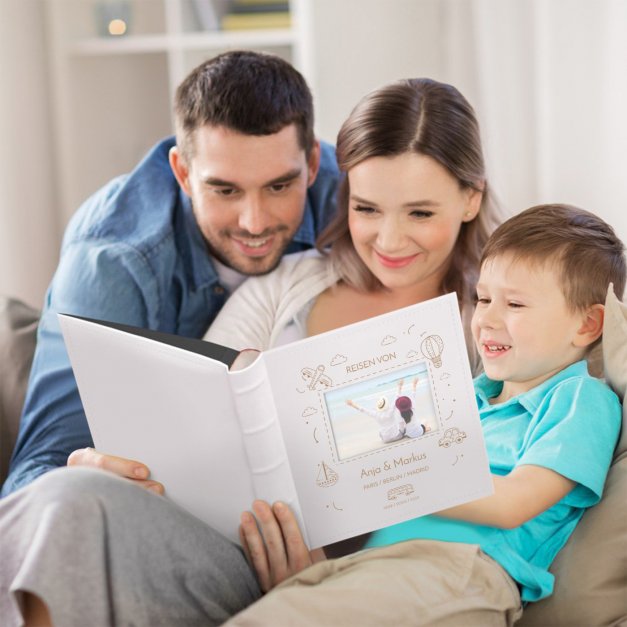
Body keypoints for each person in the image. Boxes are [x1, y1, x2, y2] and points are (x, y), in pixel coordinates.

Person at [0, 77, 501, 626]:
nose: (388, 239)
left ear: (470, 198)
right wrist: (108, 464)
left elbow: (478, 495)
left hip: (357, 580)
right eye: (367, 209)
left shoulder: (490, 325)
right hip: (215, 545)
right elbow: (189, 407)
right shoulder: (290, 282)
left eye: (420, 214)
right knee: (70, 498)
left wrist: (321, 577)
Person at [222, 204, 624, 626]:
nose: (486, 318)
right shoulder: (464, 394)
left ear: (587, 325)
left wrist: (395, 466)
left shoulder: (581, 399)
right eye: (483, 298)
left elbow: (513, 503)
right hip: (374, 565)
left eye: (516, 304)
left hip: (461, 571)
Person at [1, 50, 340, 497]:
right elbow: (30, 478)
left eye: (279, 186)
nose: (254, 222)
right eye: (224, 190)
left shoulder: (355, 201)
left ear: (312, 163)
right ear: (182, 172)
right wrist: (79, 482)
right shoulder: (113, 263)